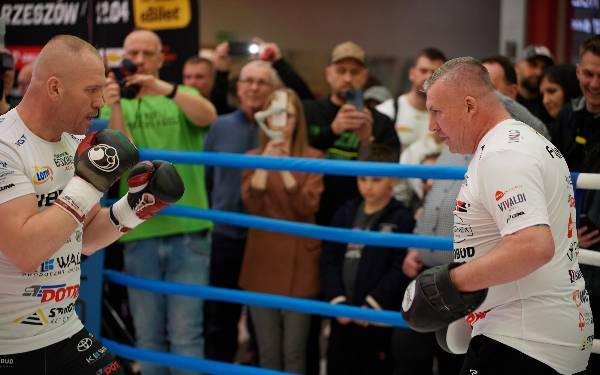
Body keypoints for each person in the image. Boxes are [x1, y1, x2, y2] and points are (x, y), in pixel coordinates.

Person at [0, 35, 183, 374]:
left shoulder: (72, 144)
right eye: (92, 90)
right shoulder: (5, 147)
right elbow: (25, 250)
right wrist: (90, 183)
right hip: (8, 344)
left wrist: (137, 207)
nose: (100, 102)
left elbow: (82, 237)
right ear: (55, 88)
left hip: (62, 329)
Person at [401, 57, 592, 374]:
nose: (432, 126)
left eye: (436, 111)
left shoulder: (503, 154)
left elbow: (533, 245)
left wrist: (450, 283)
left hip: (522, 341)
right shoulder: (522, 142)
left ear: (469, 106)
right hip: (534, 333)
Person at [101, 29, 216, 375]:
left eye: (146, 53)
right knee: (148, 338)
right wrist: (117, 102)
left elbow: (207, 116)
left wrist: (162, 88)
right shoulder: (110, 101)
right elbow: (120, 153)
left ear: (160, 57)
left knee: (186, 335)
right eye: (131, 52)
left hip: (188, 228)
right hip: (138, 227)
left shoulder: (181, 94)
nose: (137, 59)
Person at [239, 88, 323, 373]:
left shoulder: (314, 157)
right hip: (262, 258)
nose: (280, 122)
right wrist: (265, 161)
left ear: (296, 119)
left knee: (295, 349)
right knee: (268, 349)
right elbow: (251, 203)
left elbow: (306, 208)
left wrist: (284, 168)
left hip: (301, 261)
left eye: (286, 115)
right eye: (274, 114)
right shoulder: (251, 156)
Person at [203, 59, 279, 363]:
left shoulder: (280, 129)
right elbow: (207, 179)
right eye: (248, 80)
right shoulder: (220, 126)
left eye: (261, 82)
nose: (253, 87)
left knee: (264, 321)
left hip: (265, 237)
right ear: (238, 87)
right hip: (224, 234)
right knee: (220, 317)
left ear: (273, 89)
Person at [320, 144, 414, 375]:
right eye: (362, 179)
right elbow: (328, 258)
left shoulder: (402, 218)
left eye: (376, 180)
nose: (368, 186)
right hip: (342, 314)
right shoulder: (345, 212)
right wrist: (336, 300)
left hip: (377, 317)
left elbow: (399, 267)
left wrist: (373, 304)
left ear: (392, 180)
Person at [304, 41, 399, 226]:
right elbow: (296, 152)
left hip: (360, 215)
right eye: (341, 70)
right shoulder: (309, 111)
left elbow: (391, 172)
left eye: (355, 72)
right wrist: (332, 131)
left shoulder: (381, 122)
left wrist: (366, 141)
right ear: (328, 74)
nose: (348, 78)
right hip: (312, 209)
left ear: (364, 77)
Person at [551, 35, 600, 372]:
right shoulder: (569, 116)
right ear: (579, 71)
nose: (594, 84)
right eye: (589, 74)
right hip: (564, 248)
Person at [376, 47, 446, 150]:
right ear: (411, 73)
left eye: (435, 73)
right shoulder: (387, 111)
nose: (428, 76)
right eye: (423, 70)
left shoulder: (448, 118)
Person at [514, 44, 554, 122]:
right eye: (533, 65)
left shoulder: (549, 105)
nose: (539, 72)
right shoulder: (506, 100)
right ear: (517, 66)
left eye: (544, 68)